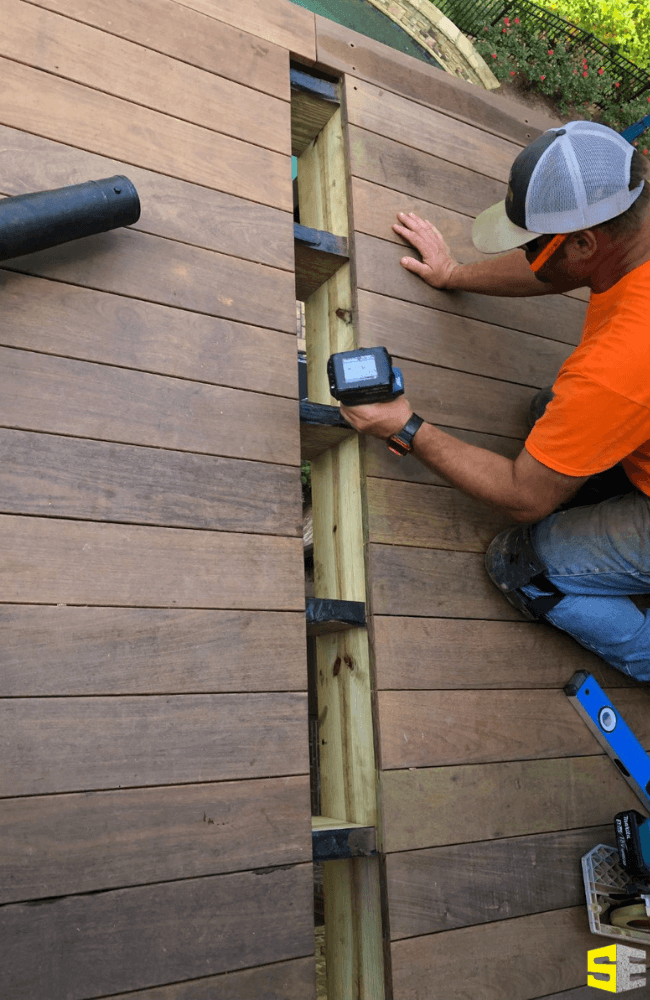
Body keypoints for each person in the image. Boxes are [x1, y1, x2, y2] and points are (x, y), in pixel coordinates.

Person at [339, 120, 650, 681]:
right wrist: (453, 272)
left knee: (521, 563)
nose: (527, 253)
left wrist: (405, 428)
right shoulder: (633, 218)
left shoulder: (618, 365)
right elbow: (556, 268)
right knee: (546, 413)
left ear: (584, 243)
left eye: (532, 242)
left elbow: (523, 496)